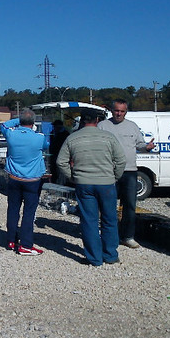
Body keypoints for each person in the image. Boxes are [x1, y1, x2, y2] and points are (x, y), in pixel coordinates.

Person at [56, 108, 126, 266]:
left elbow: (61, 162)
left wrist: (73, 177)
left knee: (89, 220)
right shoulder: (108, 137)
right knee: (109, 219)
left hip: (83, 183)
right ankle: (110, 255)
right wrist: (115, 176)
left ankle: (94, 258)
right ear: (97, 121)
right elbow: (121, 161)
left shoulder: (72, 138)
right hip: (107, 183)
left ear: (82, 121)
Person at [98, 99, 156, 248]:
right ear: (112, 110)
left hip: (130, 171)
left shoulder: (132, 126)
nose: (119, 113)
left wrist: (147, 147)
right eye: (117, 110)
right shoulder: (103, 126)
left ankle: (127, 236)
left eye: (122, 111)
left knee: (130, 205)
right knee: (108, 205)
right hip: (109, 172)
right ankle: (109, 235)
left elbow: (140, 145)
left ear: (126, 112)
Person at [1, 109, 49, 255]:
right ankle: (26, 244)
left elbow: (4, 125)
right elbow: (46, 146)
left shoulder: (10, 134)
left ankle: (11, 240)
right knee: (29, 212)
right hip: (32, 180)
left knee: (13, 209)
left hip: (14, 178)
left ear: (20, 121)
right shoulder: (39, 138)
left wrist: (18, 121)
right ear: (33, 123)